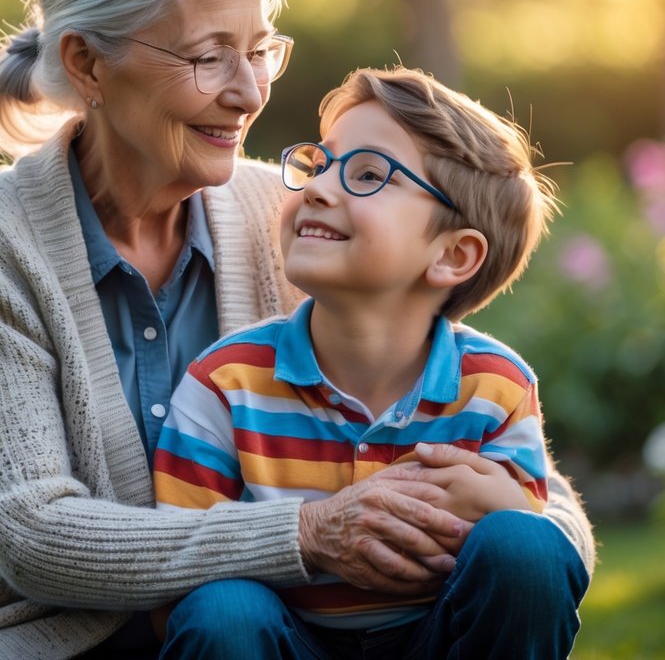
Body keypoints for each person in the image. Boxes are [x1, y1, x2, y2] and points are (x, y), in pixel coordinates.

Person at [0, 0, 594, 660]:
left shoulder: (294, 218)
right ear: (88, 64)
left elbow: (467, 426)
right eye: (208, 56)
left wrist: (535, 527)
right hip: (11, 626)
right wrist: (307, 532)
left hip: (241, 628)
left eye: (260, 50)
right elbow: (33, 536)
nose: (249, 91)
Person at [153, 66, 586, 658]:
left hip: (441, 639)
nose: (317, 187)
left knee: (524, 547)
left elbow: (529, 555)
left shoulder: (496, 388)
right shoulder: (225, 384)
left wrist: (511, 509)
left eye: (367, 174)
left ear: (454, 255)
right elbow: (175, 570)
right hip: (286, 643)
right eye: (320, 163)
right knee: (220, 612)